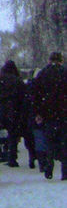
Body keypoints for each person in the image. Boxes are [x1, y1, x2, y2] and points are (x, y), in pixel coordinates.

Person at [32, 51, 67, 181]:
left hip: (48, 114)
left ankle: (48, 166)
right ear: (61, 61)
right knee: (64, 143)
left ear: (49, 60)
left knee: (49, 142)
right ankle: (65, 171)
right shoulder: (65, 73)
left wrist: (38, 112)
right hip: (64, 114)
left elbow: (35, 94)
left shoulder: (42, 74)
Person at [0, 60, 26, 166]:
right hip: (14, 110)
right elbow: (23, 97)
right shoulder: (18, 81)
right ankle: (12, 157)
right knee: (13, 135)